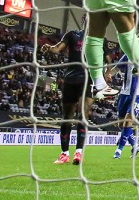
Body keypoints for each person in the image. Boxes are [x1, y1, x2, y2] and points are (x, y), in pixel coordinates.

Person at [40, 17, 93, 166]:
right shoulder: (72, 35)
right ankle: (64, 154)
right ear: (83, 19)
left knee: (82, 115)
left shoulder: (98, 39)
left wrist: (106, 75)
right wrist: (48, 47)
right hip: (70, 79)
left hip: (87, 79)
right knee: (67, 117)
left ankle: (79, 153)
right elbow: (57, 49)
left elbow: (107, 60)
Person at [111, 34, 139, 159]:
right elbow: (116, 69)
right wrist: (108, 75)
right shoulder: (127, 55)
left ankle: (118, 150)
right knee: (122, 125)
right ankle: (135, 145)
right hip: (124, 94)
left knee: (128, 120)